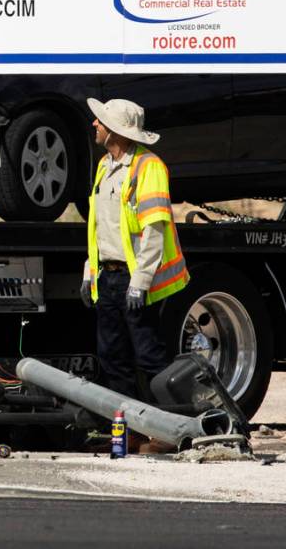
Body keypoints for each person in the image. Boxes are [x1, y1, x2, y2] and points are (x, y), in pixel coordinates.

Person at [81, 98, 189, 401]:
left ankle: (168, 427)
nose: (94, 124)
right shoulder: (105, 165)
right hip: (109, 278)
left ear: (115, 131)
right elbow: (100, 226)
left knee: (149, 356)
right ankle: (126, 429)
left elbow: (154, 230)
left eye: (100, 121)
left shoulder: (149, 166)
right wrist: (90, 271)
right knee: (112, 357)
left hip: (135, 279)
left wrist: (139, 283)